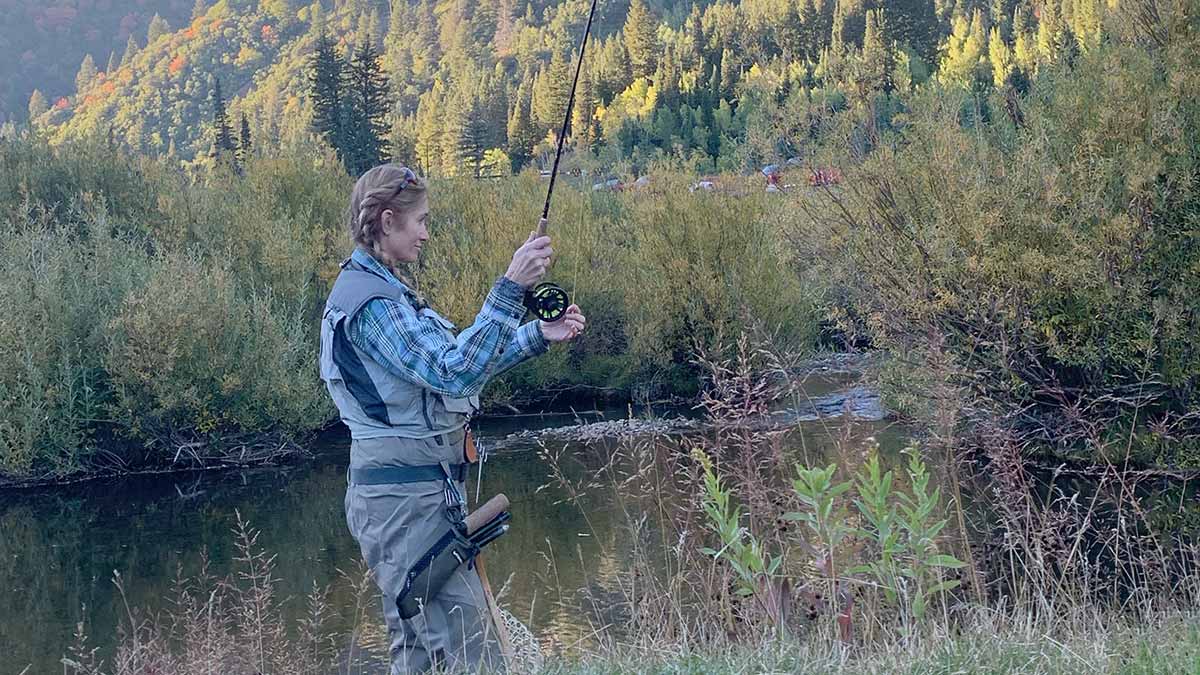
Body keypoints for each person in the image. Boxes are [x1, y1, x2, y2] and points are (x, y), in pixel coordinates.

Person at [318, 164, 587, 673]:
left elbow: (454, 360)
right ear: (388, 220)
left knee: (420, 654)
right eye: (419, 221)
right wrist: (509, 287)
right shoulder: (373, 307)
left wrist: (535, 337)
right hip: (404, 507)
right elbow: (454, 374)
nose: (425, 232)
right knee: (475, 652)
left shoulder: (385, 293)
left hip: (414, 500)